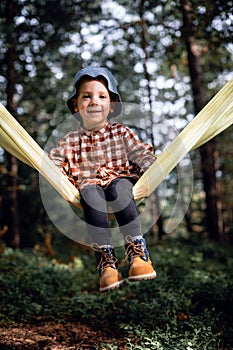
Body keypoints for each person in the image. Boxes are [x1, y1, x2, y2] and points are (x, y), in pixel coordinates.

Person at [49, 66, 157, 292]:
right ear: (76, 105)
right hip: (90, 187)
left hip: (120, 181)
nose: (94, 102)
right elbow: (52, 164)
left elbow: (141, 154)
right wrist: (48, 170)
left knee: (120, 188)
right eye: (86, 96)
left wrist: (157, 169)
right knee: (89, 192)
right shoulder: (70, 140)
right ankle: (107, 262)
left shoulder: (121, 132)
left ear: (111, 105)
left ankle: (138, 254)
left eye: (102, 96)